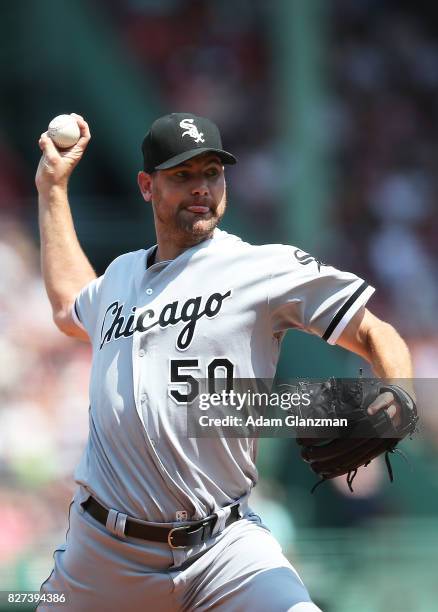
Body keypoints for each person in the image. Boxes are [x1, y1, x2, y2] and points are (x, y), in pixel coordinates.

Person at [35, 112, 413, 611]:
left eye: (212, 172)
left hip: (223, 547)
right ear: (147, 186)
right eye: (182, 176)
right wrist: (53, 189)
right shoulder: (121, 276)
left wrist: (398, 396)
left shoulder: (261, 267)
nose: (201, 188)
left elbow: (373, 331)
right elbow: (68, 307)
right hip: (103, 555)